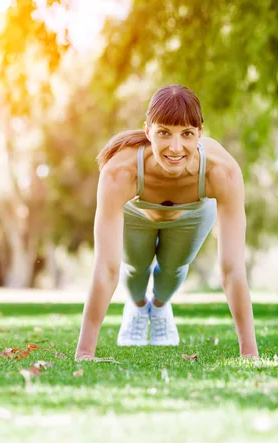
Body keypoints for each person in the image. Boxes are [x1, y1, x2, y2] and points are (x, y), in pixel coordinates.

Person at [74, 85, 259, 360]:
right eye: (164, 133)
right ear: (148, 131)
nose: (175, 147)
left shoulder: (223, 172)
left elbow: (232, 269)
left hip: (193, 213)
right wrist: (85, 352)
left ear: (200, 134)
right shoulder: (119, 173)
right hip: (138, 214)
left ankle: (159, 307)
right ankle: (137, 307)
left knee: (173, 269)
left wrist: (250, 353)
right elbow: (106, 268)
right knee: (135, 268)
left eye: (186, 134)